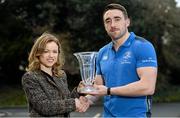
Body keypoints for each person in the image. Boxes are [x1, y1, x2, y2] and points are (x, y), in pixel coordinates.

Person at [86, 3, 158, 117]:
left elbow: (148, 87)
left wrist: (109, 90)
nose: (112, 24)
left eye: (117, 19)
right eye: (108, 21)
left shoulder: (143, 46)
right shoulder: (102, 52)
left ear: (127, 22)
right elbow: (98, 89)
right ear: (104, 25)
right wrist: (86, 99)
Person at [22, 32, 89, 117]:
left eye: (54, 52)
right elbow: (44, 106)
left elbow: (66, 100)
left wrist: (79, 91)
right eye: (46, 51)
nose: (51, 55)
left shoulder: (61, 75)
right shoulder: (30, 77)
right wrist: (73, 103)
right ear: (38, 53)